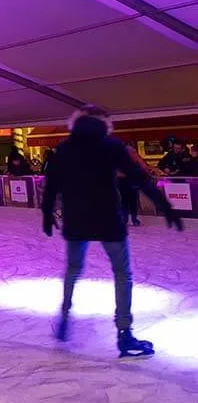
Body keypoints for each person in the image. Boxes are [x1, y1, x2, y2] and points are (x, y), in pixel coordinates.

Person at [41, 105, 183, 358]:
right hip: (108, 219)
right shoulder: (111, 146)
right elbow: (139, 177)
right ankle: (124, 333)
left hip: (76, 221)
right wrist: (165, 207)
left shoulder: (64, 149)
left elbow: (51, 184)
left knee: (73, 270)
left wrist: (47, 213)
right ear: (103, 123)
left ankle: (64, 317)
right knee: (122, 274)